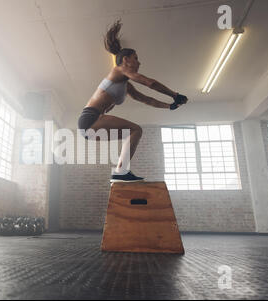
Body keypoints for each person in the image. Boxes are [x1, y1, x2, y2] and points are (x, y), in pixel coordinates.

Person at [77, 20, 188, 183]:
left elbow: (145, 99)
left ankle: (120, 171)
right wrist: (174, 94)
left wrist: (170, 106)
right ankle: (121, 171)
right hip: (90, 119)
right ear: (126, 60)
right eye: (136, 58)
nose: (139, 62)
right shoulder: (118, 70)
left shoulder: (125, 85)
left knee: (134, 131)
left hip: (90, 127)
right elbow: (149, 83)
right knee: (135, 129)